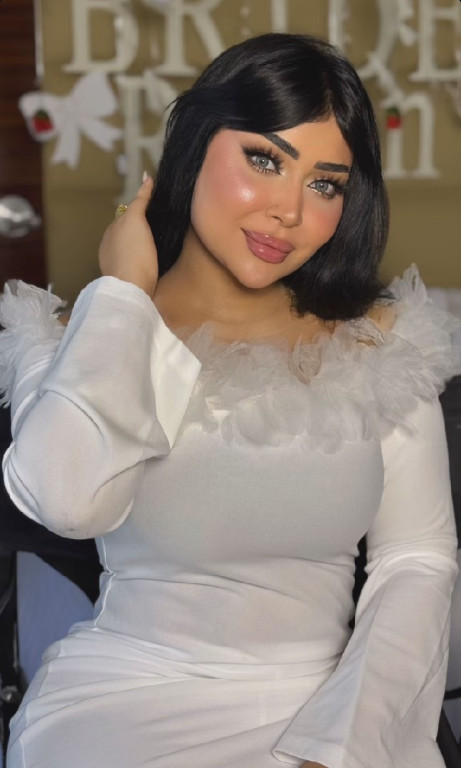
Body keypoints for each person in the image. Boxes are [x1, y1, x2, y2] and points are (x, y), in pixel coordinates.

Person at [0, 32, 459, 768]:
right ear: (194, 143)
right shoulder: (71, 337)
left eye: (324, 184)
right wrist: (122, 296)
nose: (288, 211)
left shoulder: (380, 343)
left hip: (334, 703)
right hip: (123, 704)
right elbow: (71, 503)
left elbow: (417, 561)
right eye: (264, 160)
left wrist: (342, 745)